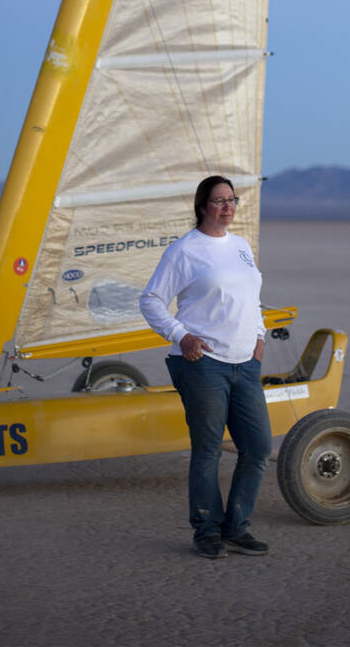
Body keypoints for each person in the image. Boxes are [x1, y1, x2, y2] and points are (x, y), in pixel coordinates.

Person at [139, 175, 272, 559]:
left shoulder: (242, 246)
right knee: (209, 448)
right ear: (202, 206)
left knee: (258, 446)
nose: (227, 207)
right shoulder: (185, 251)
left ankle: (237, 527)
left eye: (232, 200)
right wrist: (181, 335)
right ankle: (207, 531)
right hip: (203, 364)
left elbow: (251, 297)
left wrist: (260, 336)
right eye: (218, 201)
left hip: (245, 363)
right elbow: (151, 300)